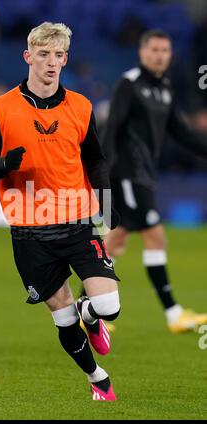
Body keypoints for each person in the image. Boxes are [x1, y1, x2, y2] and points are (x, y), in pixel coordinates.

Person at [0, 22, 120, 401]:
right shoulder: (2, 107)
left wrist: (107, 202)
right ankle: (96, 378)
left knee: (108, 305)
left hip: (76, 219)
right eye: (43, 55)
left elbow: (96, 159)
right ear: (28, 57)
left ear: (65, 59)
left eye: (58, 55)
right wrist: (5, 165)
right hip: (29, 227)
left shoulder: (81, 106)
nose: (51, 63)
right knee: (62, 317)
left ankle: (92, 313)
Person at [101, 29, 207, 333]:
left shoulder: (166, 89)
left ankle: (89, 309)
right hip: (126, 175)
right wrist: (103, 178)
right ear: (142, 52)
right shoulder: (129, 84)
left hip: (144, 176)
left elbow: (183, 133)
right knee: (156, 236)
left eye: (165, 50)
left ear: (170, 55)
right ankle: (174, 314)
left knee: (116, 241)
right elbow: (111, 132)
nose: (160, 55)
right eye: (154, 50)